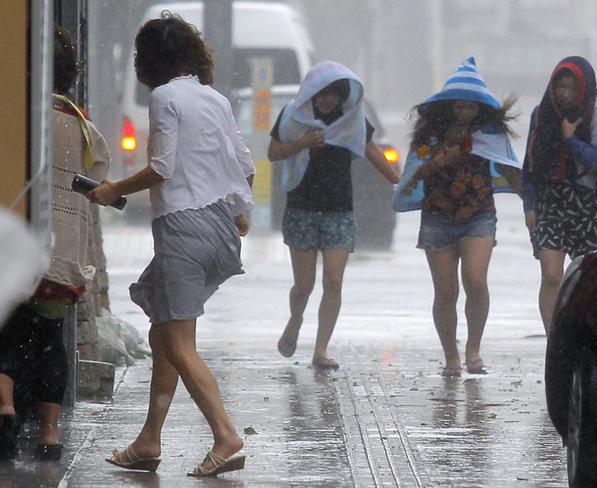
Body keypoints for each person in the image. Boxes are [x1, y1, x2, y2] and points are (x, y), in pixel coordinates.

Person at [89, 12, 253, 476]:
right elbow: (245, 164)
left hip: (183, 228)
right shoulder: (215, 99)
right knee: (164, 332)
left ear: (149, 60)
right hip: (218, 225)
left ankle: (225, 435)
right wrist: (240, 214)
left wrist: (113, 189)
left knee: (179, 344)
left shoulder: (164, 98)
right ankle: (149, 439)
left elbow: (162, 167)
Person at [0, 25, 110, 461]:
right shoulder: (83, 127)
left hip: (13, 248)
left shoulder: (14, 117)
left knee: (6, 333)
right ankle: (49, 435)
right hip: (60, 253)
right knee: (49, 339)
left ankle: (5, 410)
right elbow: (97, 176)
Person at [395, 57, 522, 377]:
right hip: (437, 218)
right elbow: (411, 177)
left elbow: (510, 168)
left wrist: (532, 202)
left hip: (478, 215)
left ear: (480, 107)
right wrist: (438, 163)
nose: (464, 111)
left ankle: (473, 350)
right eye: (459, 105)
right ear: (449, 105)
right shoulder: (429, 136)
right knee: (446, 290)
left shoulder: (490, 134)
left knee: (476, 281)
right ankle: (451, 355)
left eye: (470, 106)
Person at [269, 61, 400, 371]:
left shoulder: (353, 122)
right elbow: (273, 152)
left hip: (339, 210)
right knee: (304, 284)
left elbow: (375, 154)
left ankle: (321, 349)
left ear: (343, 97)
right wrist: (302, 143)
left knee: (334, 280)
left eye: (334, 95)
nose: (327, 100)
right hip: (301, 208)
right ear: (312, 95)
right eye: (322, 94)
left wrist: (401, 180)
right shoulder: (293, 117)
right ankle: (295, 319)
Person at [522, 56, 597, 334]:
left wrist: (571, 140)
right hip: (551, 202)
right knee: (551, 276)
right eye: (560, 86)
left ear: (584, 89)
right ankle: (555, 345)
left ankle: (585, 338)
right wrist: (530, 205)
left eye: (572, 88)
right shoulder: (541, 116)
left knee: (589, 280)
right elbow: (530, 166)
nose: (564, 93)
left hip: (589, 205)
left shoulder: (596, 116)